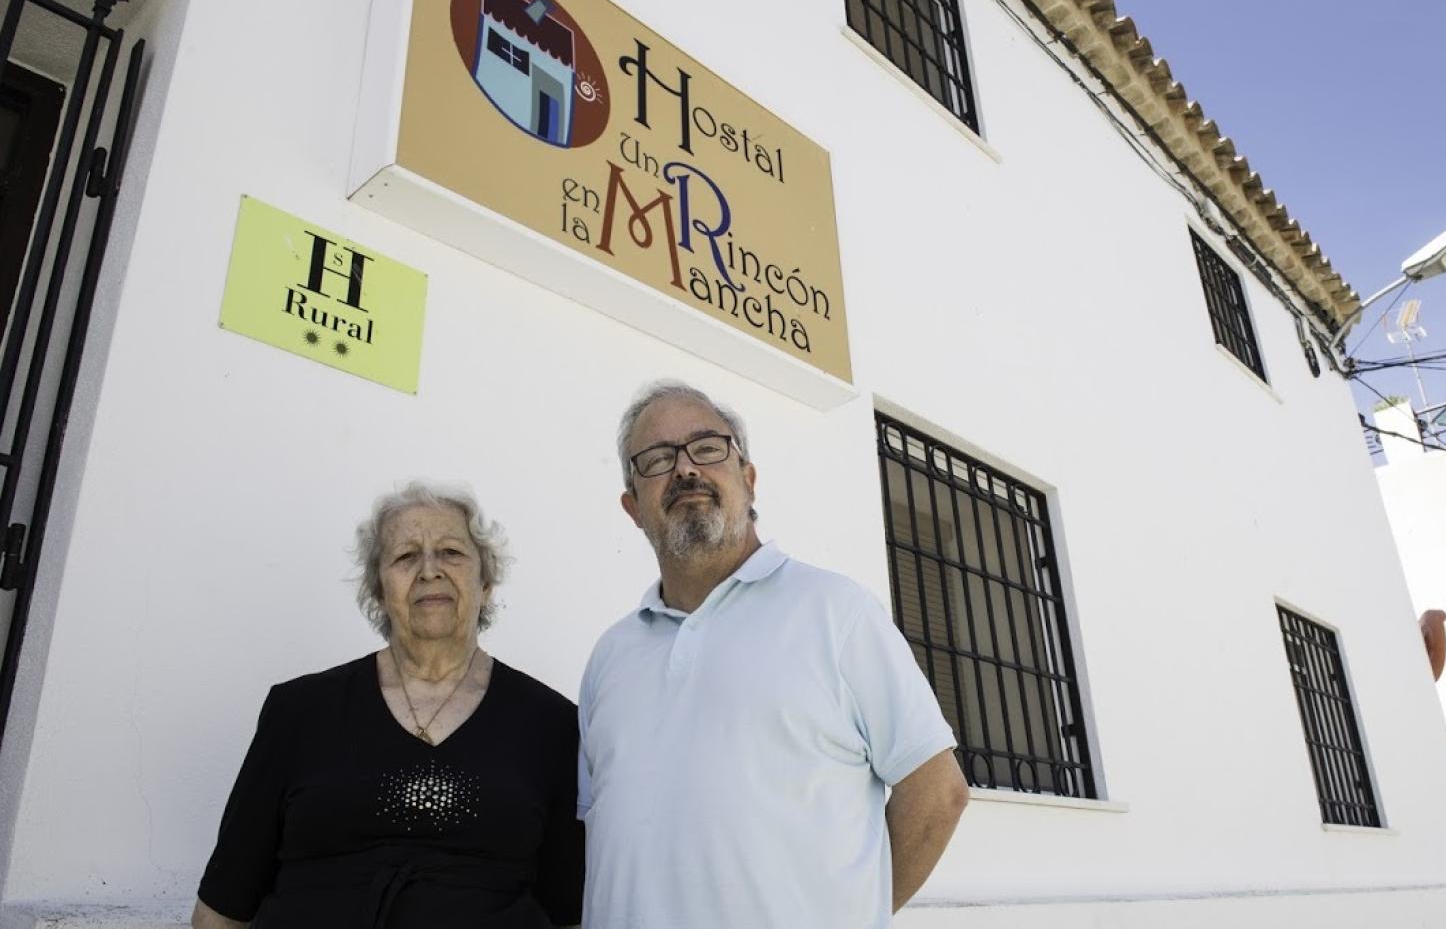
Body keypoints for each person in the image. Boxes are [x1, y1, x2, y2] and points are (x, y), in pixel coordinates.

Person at [578, 381, 969, 929]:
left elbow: (937, 793)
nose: (686, 469)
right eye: (657, 459)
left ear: (749, 479)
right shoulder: (609, 657)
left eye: (708, 447)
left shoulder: (836, 611)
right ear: (633, 508)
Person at [192, 482, 584, 928]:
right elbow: (222, 910)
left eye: (452, 552)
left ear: (487, 582)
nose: (429, 570)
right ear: (378, 589)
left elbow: (567, 912)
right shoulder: (298, 713)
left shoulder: (551, 725)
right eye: (405, 556)